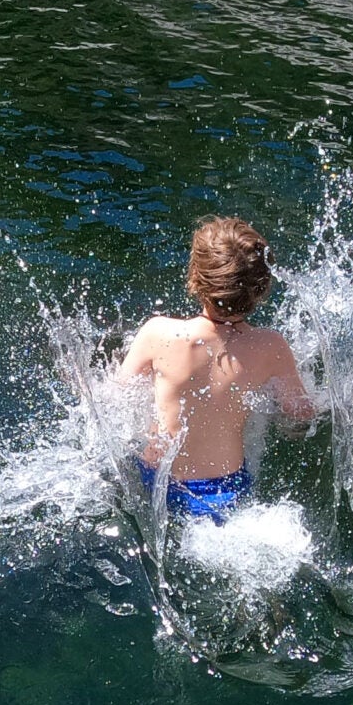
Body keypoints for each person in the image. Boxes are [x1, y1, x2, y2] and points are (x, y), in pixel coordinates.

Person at [119, 216, 316, 521]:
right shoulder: (271, 346)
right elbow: (299, 414)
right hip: (226, 490)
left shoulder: (158, 333)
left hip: (158, 479)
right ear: (261, 289)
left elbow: (115, 398)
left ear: (194, 277)